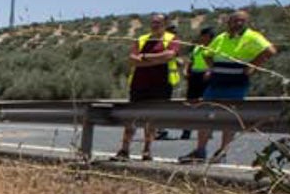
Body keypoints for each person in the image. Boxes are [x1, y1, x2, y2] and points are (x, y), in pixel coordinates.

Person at [183, 10, 276, 164]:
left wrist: (253, 66)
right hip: (215, 84)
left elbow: (270, 50)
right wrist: (212, 69)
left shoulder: (252, 36)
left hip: (236, 84)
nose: (238, 24)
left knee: (229, 118)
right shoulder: (221, 37)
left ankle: (222, 152)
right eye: (235, 20)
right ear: (228, 22)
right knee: (206, 115)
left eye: (242, 21)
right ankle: (200, 151)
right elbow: (207, 55)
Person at [116, 13, 181, 161]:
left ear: (165, 24)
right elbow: (132, 59)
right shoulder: (141, 39)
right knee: (131, 118)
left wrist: (144, 58)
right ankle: (124, 149)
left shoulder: (172, 39)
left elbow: (169, 56)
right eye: (153, 22)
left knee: (152, 120)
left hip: (161, 86)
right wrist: (155, 60)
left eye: (158, 22)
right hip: (139, 84)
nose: (155, 25)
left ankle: (147, 150)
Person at [179, 22, 215, 141]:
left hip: (207, 76)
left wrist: (210, 71)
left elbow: (214, 62)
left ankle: (208, 130)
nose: (202, 38)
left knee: (207, 103)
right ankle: (187, 130)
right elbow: (190, 61)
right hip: (194, 75)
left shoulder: (214, 48)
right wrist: (185, 70)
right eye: (202, 35)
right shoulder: (197, 48)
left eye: (205, 36)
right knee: (190, 103)